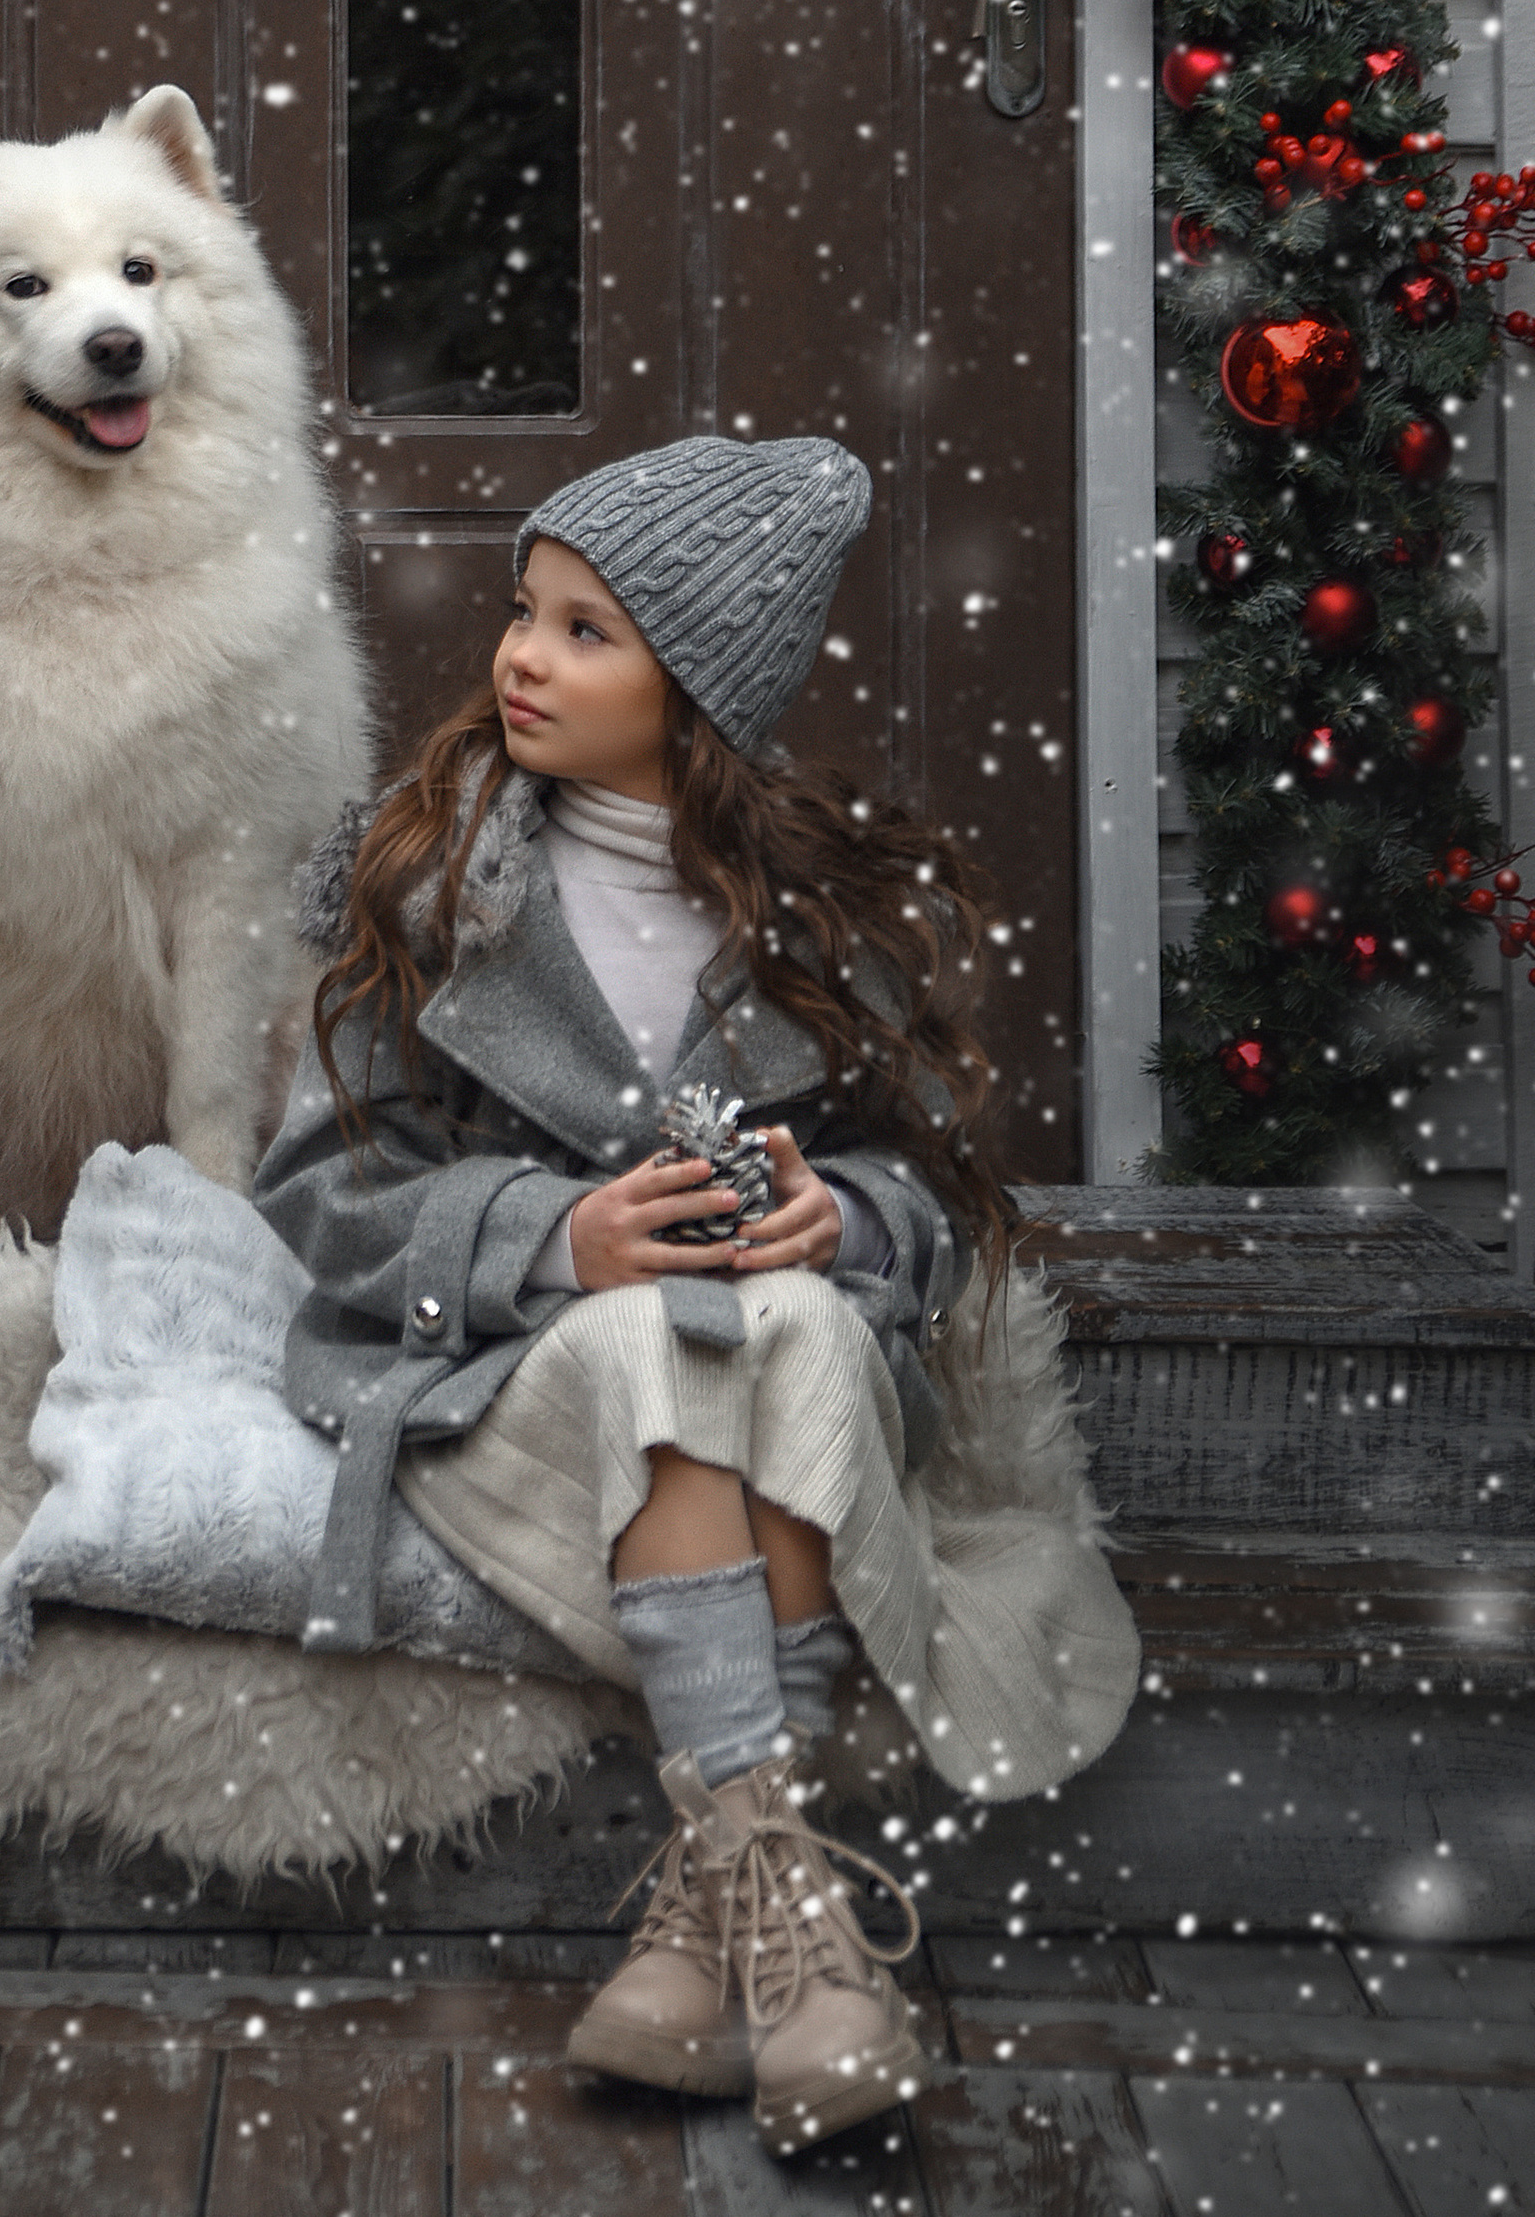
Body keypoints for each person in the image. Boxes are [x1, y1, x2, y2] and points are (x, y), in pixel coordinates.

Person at [252, 433, 1035, 2159]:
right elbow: (322, 1193)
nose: (520, 654)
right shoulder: (428, 883)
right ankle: (810, 1939)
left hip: (769, 1409)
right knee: (656, 1329)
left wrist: (847, 1217)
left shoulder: (812, 922)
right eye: (527, 612)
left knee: (801, 1323)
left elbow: (942, 1195)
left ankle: (722, 1914)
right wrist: (553, 1231)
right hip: (517, 1404)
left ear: (696, 692)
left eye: (586, 630)